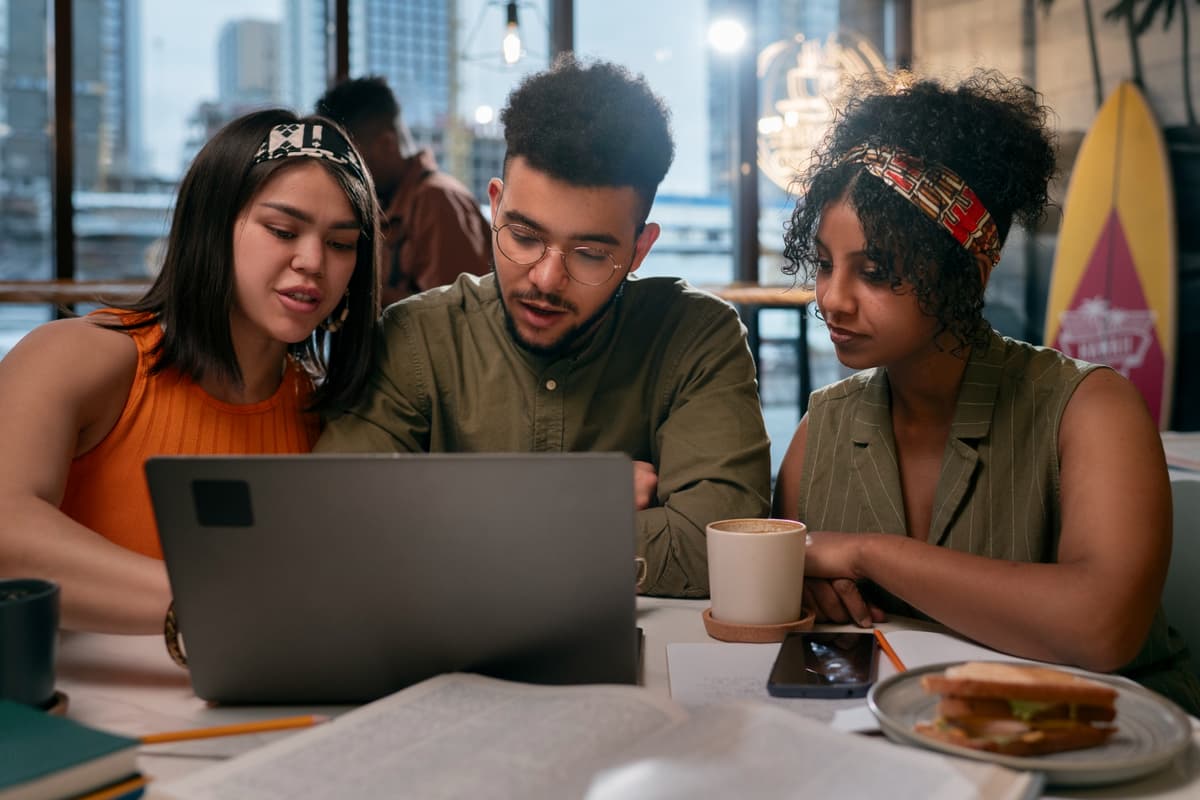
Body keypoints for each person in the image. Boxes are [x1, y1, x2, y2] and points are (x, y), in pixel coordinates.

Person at [771, 71, 1200, 713]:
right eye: (825, 264)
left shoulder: (1089, 410)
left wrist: (866, 554)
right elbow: (789, 599)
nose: (831, 299)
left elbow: (1101, 627)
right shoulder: (821, 430)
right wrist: (808, 597)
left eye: (876, 271)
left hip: (1110, 751)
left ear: (966, 269)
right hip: (903, 754)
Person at [316, 56, 772, 598]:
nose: (547, 279)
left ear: (639, 249)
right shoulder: (416, 337)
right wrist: (570, 500)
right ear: (494, 206)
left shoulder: (698, 339)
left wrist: (452, 520)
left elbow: (714, 550)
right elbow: (339, 523)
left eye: (589, 253)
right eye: (525, 236)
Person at [0, 109, 381, 634]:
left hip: (256, 708)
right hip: (69, 706)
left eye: (341, 243)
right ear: (211, 225)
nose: (313, 261)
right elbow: (6, 537)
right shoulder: (79, 358)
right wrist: (216, 605)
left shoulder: (327, 415)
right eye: (282, 230)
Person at [316, 76, 491, 307]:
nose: (342, 171)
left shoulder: (438, 201)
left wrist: (356, 291)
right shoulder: (384, 202)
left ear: (386, 144)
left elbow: (458, 314)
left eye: (350, 160)